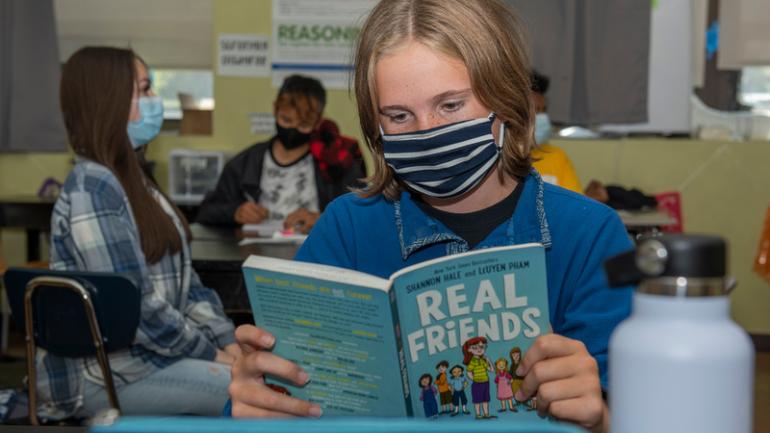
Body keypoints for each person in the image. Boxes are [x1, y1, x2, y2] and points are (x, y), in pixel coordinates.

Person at [228, 1, 633, 432]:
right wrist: (251, 404)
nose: (427, 133)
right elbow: (281, 391)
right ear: (376, 128)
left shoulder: (592, 236)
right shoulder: (347, 228)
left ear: (506, 97)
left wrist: (602, 419)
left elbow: (640, 411)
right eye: (400, 116)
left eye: (451, 105)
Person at [46, 46, 237, 420]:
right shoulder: (93, 187)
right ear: (110, 99)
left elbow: (188, 285)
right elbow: (137, 310)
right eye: (146, 89)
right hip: (107, 377)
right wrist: (215, 354)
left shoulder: (135, 180)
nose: (155, 100)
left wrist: (229, 342)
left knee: (258, 380)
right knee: (256, 396)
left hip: (152, 361)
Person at [196, 75, 364, 233]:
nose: (292, 130)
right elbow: (206, 212)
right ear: (275, 109)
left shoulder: (336, 162)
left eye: (304, 125)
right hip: (255, 253)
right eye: (286, 120)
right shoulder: (245, 163)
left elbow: (361, 215)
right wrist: (235, 212)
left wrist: (324, 219)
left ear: (318, 121)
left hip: (315, 256)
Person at [529, 70, 582, 193]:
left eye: (544, 110)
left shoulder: (556, 156)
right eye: (535, 110)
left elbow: (573, 205)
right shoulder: (498, 158)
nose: (542, 117)